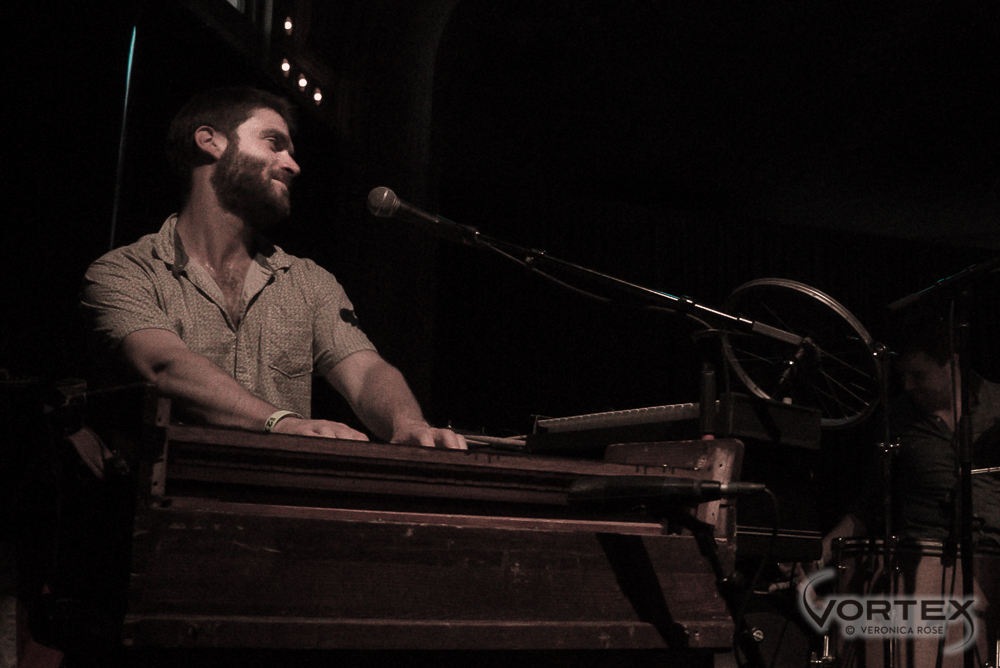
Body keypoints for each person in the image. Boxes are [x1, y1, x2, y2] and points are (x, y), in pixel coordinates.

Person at [81, 87, 466, 450]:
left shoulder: (309, 282)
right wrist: (280, 422)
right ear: (209, 140)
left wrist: (408, 423)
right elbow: (164, 366)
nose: (293, 165)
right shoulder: (124, 272)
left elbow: (366, 373)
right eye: (274, 143)